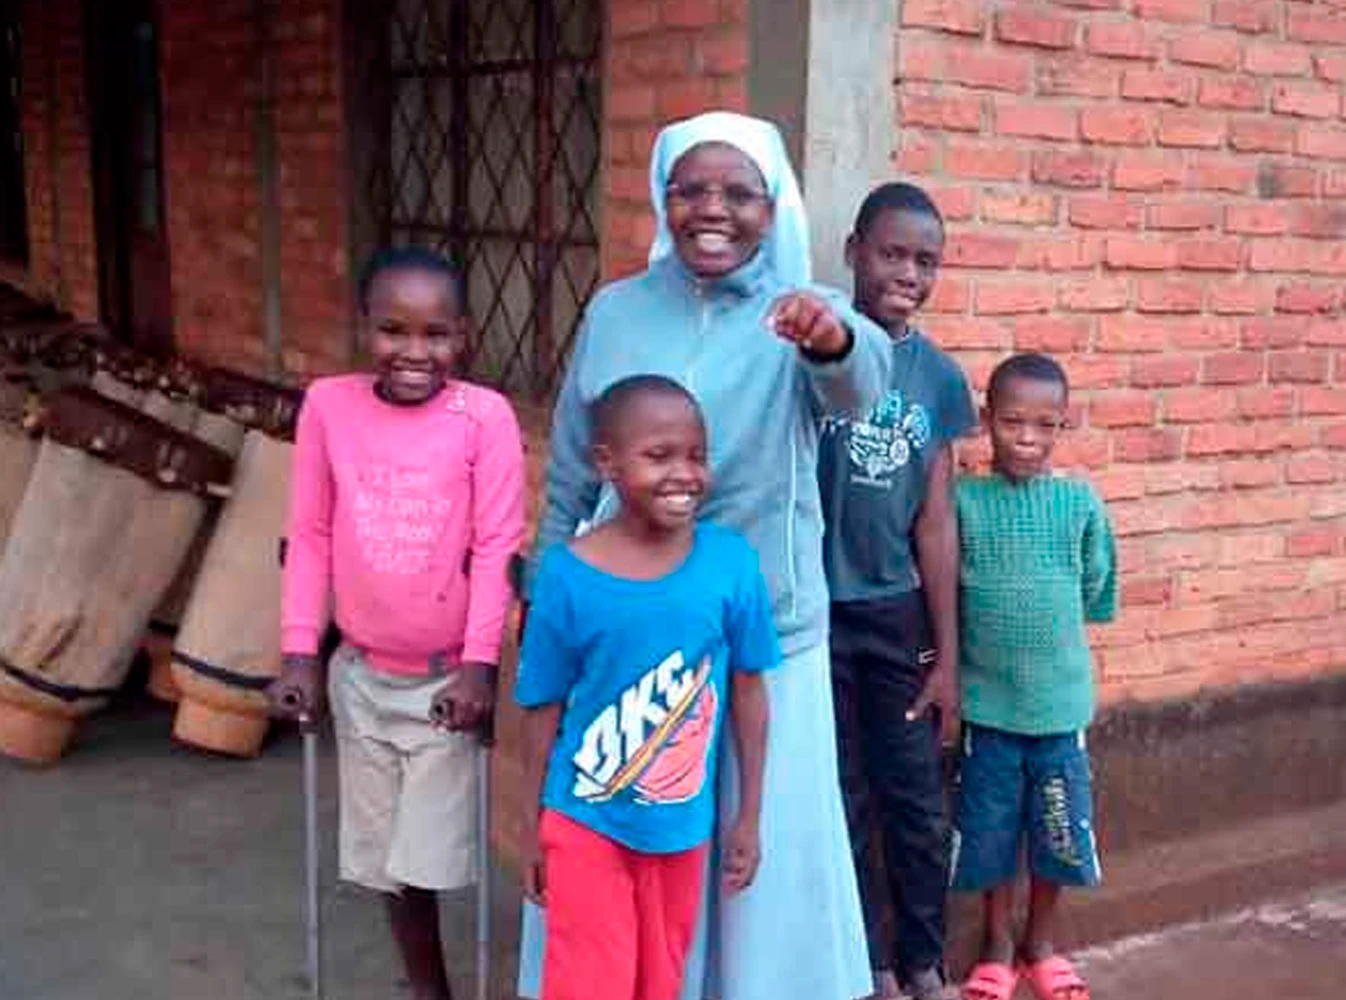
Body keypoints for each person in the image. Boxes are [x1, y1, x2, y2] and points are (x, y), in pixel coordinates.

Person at [519, 110, 889, 1000]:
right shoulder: (616, 312)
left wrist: (831, 339)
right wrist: (541, 581)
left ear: (773, 207)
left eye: (738, 193)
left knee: (752, 856)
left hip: (767, 635)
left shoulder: (803, 311)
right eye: (690, 190)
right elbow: (574, 460)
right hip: (630, 637)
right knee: (623, 830)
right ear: (662, 199)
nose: (711, 209)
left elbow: (861, 385)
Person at [270, 247, 527, 1000]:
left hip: (448, 681)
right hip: (360, 675)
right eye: (394, 330)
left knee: (428, 860)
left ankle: (435, 990)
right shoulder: (328, 405)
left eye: (437, 334)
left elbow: (496, 546)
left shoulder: (485, 417)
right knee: (386, 861)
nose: (415, 352)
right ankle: (429, 989)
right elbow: (310, 532)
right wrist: (298, 654)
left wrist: (482, 666)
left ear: (465, 335)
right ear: (364, 328)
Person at [516, 375, 775, 1000]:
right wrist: (531, 823)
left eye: (695, 456)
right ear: (606, 462)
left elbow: (749, 693)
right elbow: (539, 706)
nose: (682, 474)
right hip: (585, 820)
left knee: (662, 983)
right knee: (588, 985)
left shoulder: (731, 562)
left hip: (682, 827)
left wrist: (750, 818)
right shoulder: (566, 574)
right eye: (658, 456)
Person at [819, 182, 974, 1000]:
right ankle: (870, 963)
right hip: (818, 616)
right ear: (854, 250)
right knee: (843, 797)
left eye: (926, 259)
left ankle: (924, 961)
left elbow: (936, 519)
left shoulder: (939, 379)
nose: (908, 271)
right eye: (892, 252)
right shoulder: (817, 353)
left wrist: (947, 658)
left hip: (895, 615)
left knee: (916, 799)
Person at [949, 354, 1118, 1000]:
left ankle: (1040, 944)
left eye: (1044, 426)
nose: (1027, 438)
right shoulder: (965, 500)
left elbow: (1097, 584)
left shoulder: (1078, 503)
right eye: (1013, 422)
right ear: (988, 421)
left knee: (1057, 832)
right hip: (987, 709)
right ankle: (995, 943)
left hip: (1058, 709)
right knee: (989, 831)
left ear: (1062, 426)